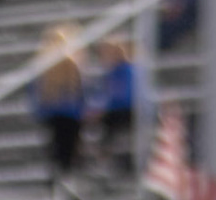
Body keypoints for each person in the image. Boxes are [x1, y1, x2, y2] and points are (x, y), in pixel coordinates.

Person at [32, 25, 86, 176]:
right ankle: (64, 175)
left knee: (59, 148)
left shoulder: (45, 63)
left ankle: (61, 175)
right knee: (65, 149)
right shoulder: (68, 62)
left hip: (57, 114)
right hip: (67, 113)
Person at [89, 35, 137, 176]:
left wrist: (102, 108)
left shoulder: (128, 70)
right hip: (115, 112)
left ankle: (109, 159)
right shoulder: (111, 73)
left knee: (111, 129)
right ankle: (103, 160)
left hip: (127, 111)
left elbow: (125, 96)